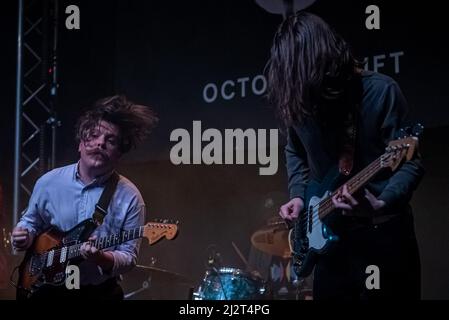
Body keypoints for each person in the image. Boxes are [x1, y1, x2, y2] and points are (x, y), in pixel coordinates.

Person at [267, 11, 424, 299]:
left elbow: (410, 164)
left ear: (321, 67)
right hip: (332, 250)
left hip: (383, 241)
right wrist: (299, 195)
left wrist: (381, 203)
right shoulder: (302, 103)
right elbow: (295, 150)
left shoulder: (379, 91)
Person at [11, 95, 158, 299]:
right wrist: (22, 237)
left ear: (119, 153)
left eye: (111, 140)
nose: (100, 143)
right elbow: (30, 222)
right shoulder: (48, 183)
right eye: (94, 135)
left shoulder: (130, 197)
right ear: (80, 143)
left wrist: (101, 258)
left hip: (98, 293)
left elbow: (129, 257)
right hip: (46, 290)